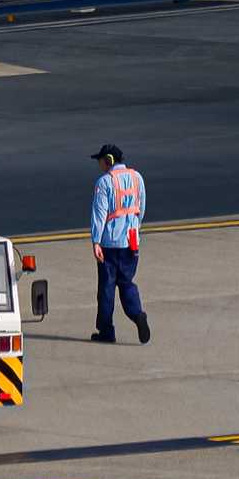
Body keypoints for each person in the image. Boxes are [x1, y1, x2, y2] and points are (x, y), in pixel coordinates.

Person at [89, 143, 150, 344]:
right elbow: (140, 207)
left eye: (100, 160)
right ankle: (137, 314)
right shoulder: (136, 177)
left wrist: (96, 241)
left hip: (109, 245)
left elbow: (100, 213)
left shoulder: (105, 182)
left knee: (106, 289)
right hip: (131, 243)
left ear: (108, 161)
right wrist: (135, 231)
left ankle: (107, 331)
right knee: (126, 283)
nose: (99, 164)